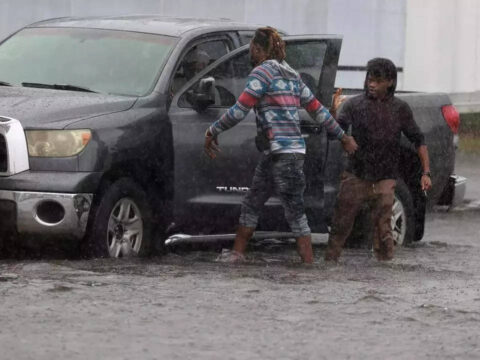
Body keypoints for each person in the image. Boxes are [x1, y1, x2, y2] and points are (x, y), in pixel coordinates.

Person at [204, 27, 358, 264]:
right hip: (284, 153)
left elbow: (239, 109)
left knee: (294, 213)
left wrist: (213, 130)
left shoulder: (261, 73)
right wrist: (343, 137)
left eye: (252, 49)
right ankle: (237, 254)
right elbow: (318, 111)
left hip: (281, 154)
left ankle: (308, 265)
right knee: (254, 202)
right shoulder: (292, 75)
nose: (251, 54)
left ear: (257, 48)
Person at [324, 57, 432, 262]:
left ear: (390, 82)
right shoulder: (354, 105)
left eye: (377, 81)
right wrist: (334, 116)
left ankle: (385, 272)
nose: (371, 84)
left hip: (385, 177)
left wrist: (426, 172)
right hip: (356, 174)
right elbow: (334, 132)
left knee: (384, 230)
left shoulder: (400, 109)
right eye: (369, 79)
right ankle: (330, 264)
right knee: (340, 226)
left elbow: (419, 140)